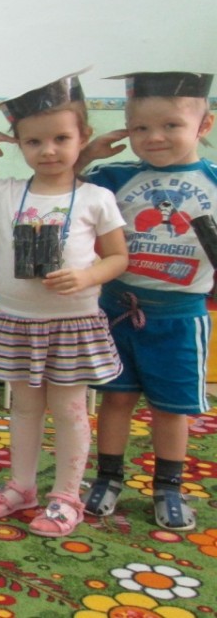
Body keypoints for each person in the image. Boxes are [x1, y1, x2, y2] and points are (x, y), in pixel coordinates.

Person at [0, 71, 128, 537]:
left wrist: (87, 275)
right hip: (19, 321)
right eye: (34, 141)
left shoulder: (96, 198)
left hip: (73, 322)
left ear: (83, 137)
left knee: (70, 411)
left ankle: (67, 497)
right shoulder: (4, 192)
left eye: (61, 138)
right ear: (19, 143)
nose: (48, 150)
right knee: (23, 409)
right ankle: (22, 487)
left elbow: (118, 257)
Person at [79, 71, 215, 531]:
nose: (154, 137)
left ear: (204, 125)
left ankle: (168, 487)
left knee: (170, 408)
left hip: (180, 318)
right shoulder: (113, 176)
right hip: (116, 311)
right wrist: (88, 154)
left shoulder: (213, 181)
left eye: (171, 125)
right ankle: (108, 478)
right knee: (115, 399)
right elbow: (58, 189)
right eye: (140, 127)